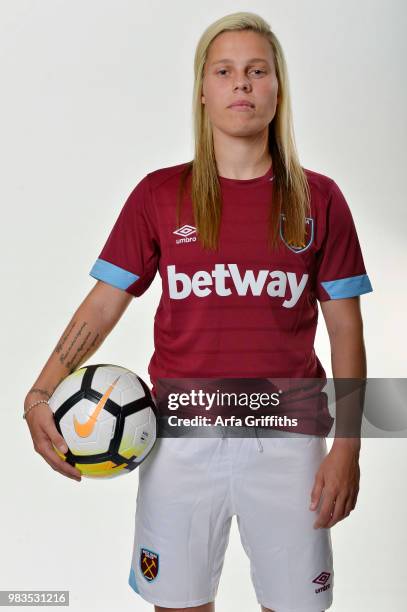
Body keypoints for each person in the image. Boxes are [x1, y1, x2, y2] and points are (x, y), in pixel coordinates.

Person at [24, 11, 373, 612]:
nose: (242, 84)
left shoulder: (319, 199)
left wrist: (347, 448)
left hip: (288, 442)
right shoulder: (160, 195)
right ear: (204, 91)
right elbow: (106, 302)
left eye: (256, 71)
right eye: (225, 71)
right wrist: (41, 391)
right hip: (179, 440)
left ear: (277, 88)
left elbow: (345, 328)